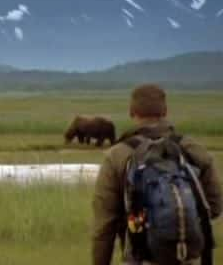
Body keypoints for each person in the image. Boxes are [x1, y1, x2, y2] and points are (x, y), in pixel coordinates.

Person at [92, 84, 222, 265]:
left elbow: (104, 227)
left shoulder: (118, 155)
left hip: (138, 257)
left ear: (132, 112)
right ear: (165, 111)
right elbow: (214, 207)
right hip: (185, 256)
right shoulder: (193, 149)